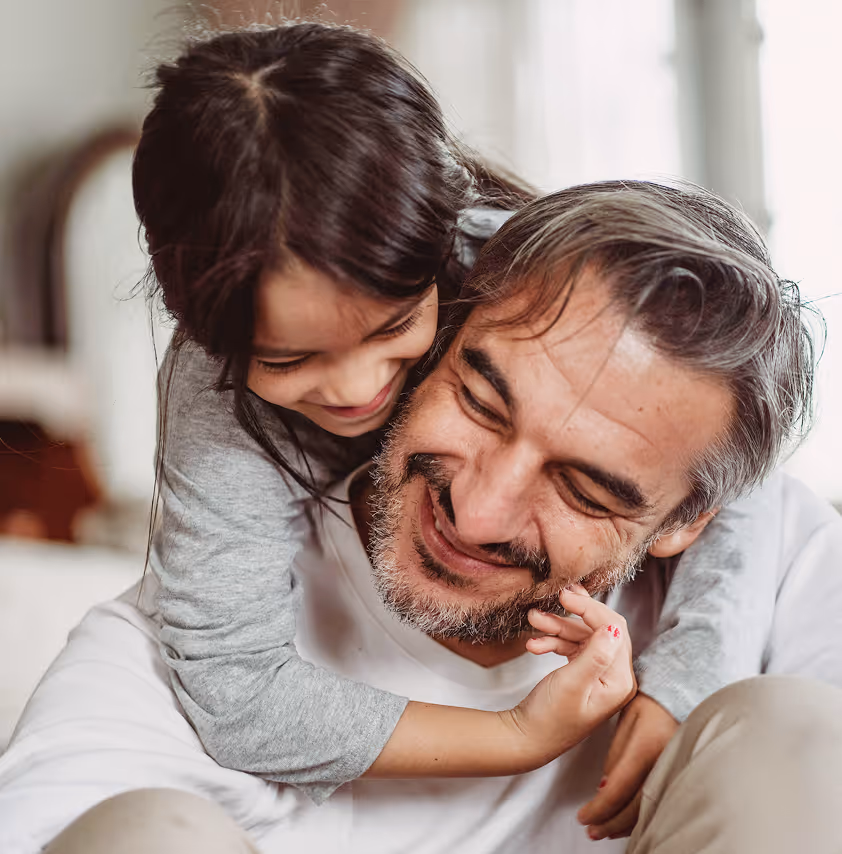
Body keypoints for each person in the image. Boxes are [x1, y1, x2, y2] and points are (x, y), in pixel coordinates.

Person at [3, 181, 842, 854]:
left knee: (794, 730)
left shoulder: (776, 567)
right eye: (480, 402)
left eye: (585, 488)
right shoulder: (178, 658)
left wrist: (695, 683)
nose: (478, 514)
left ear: (690, 522)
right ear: (433, 339)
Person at [130, 20, 815, 819]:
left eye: (394, 331)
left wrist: (685, 683)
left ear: (441, 250)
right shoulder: (213, 390)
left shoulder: (490, 261)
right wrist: (518, 735)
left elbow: (722, 447)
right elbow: (235, 688)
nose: (356, 392)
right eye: (286, 362)